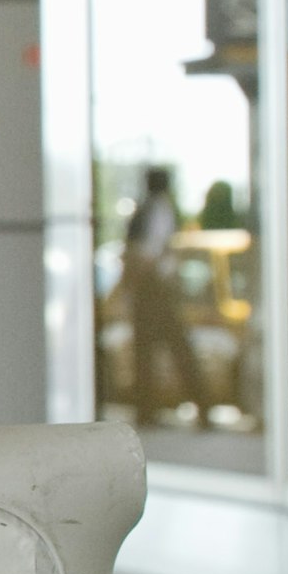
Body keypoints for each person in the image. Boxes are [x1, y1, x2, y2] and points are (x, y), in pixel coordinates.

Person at [122, 164, 189, 422]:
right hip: (154, 288)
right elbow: (150, 252)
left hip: (152, 288)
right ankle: (148, 409)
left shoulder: (150, 208)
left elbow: (142, 253)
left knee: (154, 349)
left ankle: (147, 409)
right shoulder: (158, 208)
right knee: (171, 347)